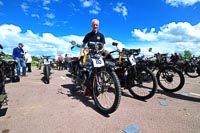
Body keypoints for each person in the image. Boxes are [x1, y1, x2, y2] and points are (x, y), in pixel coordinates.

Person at [78, 19, 106, 96]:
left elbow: (103, 46)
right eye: (94, 24)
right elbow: (83, 46)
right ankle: (87, 87)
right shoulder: (88, 35)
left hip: (98, 55)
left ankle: (98, 84)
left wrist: (102, 52)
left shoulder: (101, 35)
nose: (95, 26)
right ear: (91, 25)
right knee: (88, 70)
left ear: (98, 25)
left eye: (96, 25)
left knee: (100, 69)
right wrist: (80, 54)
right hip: (89, 55)